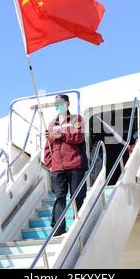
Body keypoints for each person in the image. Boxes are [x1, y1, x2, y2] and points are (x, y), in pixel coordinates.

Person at [44, 95, 88, 236]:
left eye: (60, 103)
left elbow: (78, 137)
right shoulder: (52, 124)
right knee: (59, 197)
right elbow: (48, 146)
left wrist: (60, 136)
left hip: (75, 164)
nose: (58, 105)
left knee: (78, 195)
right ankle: (58, 228)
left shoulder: (77, 119)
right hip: (57, 168)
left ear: (67, 103)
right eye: (56, 103)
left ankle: (78, 223)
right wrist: (49, 163)